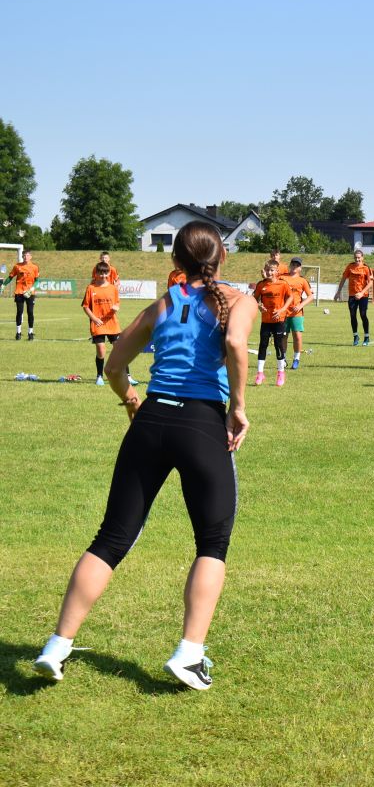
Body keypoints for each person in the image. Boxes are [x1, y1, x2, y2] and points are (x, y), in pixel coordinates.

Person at [33, 220, 256, 691]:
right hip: (202, 423)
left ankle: (56, 645)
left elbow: (115, 365)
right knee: (212, 543)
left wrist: (132, 401)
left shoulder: (163, 304)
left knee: (111, 539)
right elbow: (237, 343)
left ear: (175, 262)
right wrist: (238, 407)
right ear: (223, 257)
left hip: (151, 420)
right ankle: (189, 654)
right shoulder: (239, 300)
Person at [82, 262, 139, 387]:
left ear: (108, 273)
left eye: (105, 273)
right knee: (101, 350)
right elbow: (85, 306)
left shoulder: (113, 288)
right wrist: (94, 319)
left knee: (120, 349)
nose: (103, 276)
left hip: (112, 323)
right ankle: (99, 376)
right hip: (98, 324)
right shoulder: (91, 288)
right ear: (96, 274)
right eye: (100, 273)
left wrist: (116, 307)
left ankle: (128, 376)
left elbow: (117, 303)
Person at [252, 261, 293, 386]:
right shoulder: (261, 284)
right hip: (266, 320)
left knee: (278, 345)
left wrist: (282, 310)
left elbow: (290, 297)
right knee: (263, 345)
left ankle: (281, 373)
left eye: (272, 270)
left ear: (277, 271)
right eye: (267, 270)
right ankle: (260, 373)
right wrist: (259, 306)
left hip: (279, 320)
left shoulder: (283, 284)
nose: (269, 272)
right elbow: (254, 299)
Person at [279, 257, 313, 369]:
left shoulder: (302, 281)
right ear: (290, 265)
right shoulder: (282, 278)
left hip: (296, 314)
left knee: (297, 336)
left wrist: (300, 306)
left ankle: (296, 358)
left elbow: (310, 296)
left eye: (297, 265)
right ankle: (283, 359)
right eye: (293, 264)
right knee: (283, 336)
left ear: (300, 268)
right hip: (283, 313)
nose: (294, 266)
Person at [336, 249, 374, 346]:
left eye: (359, 258)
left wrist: (361, 293)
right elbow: (343, 279)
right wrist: (338, 292)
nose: (357, 259)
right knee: (352, 315)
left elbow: (370, 283)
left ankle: (366, 337)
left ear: (362, 258)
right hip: (352, 295)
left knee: (363, 315)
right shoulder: (350, 266)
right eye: (356, 257)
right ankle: (355, 336)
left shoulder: (366, 268)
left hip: (363, 296)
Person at [8, 250, 38, 340]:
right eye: (24, 255)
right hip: (19, 292)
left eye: (27, 255)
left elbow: (37, 281)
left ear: (30, 257)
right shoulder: (17, 266)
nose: (26, 257)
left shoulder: (35, 267)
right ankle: (18, 333)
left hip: (30, 293)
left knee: (30, 312)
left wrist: (31, 290)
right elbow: (10, 277)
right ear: (22, 256)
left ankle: (30, 333)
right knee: (19, 312)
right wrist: (3, 285)